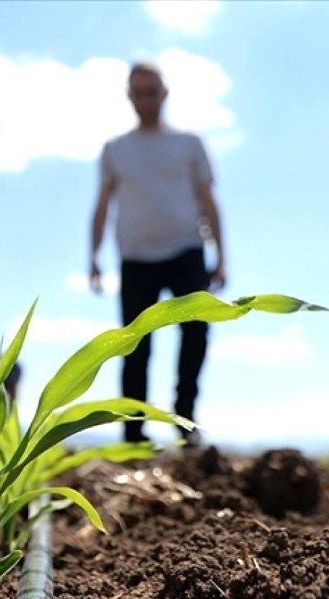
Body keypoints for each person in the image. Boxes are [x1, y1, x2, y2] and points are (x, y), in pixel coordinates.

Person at [88, 60, 226, 447]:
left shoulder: (189, 144)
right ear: (129, 97)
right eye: (138, 92)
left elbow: (208, 200)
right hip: (136, 259)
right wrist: (94, 257)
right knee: (134, 346)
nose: (145, 99)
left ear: (164, 94)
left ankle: (185, 423)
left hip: (187, 250)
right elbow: (101, 205)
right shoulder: (115, 150)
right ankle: (133, 434)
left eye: (152, 91)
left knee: (195, 335)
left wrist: (222, 256)